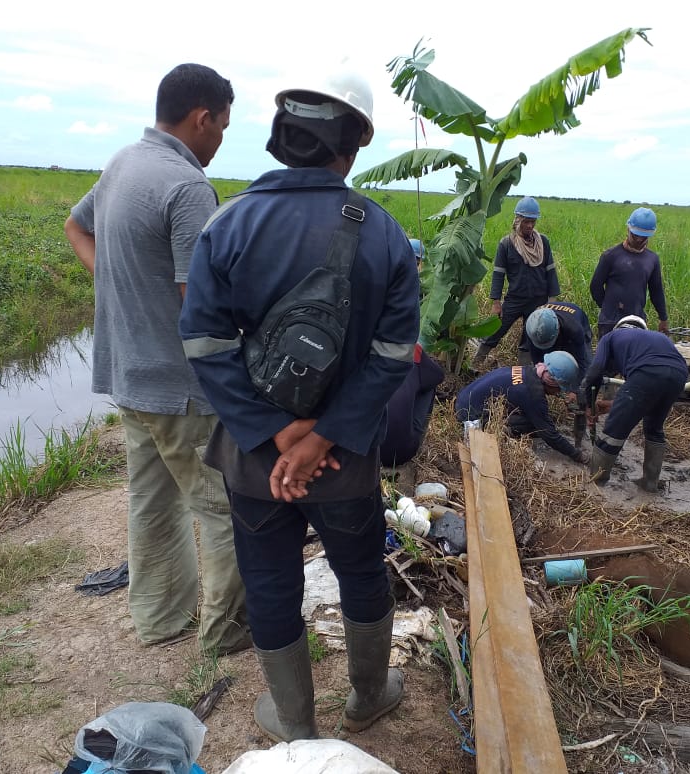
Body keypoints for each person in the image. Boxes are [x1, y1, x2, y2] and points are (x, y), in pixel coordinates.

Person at [177, 70, 420, 743]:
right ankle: (367, 699)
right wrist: (325, 437)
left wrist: (275, 432)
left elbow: (202, 342)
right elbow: (396, 356)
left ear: (283, 137)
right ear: (355, 144)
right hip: (343, 462)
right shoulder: (385, 235)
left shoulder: (229, 223)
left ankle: (295, 722)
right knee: (362, 570)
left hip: (256, 461)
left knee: (270, 578)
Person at [63, 63, 249, 655]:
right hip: (180, 387)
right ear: (202, 118)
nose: (220, 139)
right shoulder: (186, 185)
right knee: (221, 506)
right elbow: (201, 303)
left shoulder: (124, 162)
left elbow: (76, 227)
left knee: (152, 500)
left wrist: (120, 287)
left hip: (127, 374)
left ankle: (161, 619)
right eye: (221, 126)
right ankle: (225, 631)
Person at [580, 315, 687, 491]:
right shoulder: (656, 337)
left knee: (614, 429)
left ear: (619, 327)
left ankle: (596, 482)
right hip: (679, 375)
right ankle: (650, 483)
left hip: (647, 372)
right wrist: (610, 404)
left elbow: (596, 370)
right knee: (654, 427)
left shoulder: (610, 337)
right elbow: (643, 399)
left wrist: (585, 401)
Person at [471, 196, 561, 371]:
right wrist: (496, 302)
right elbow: (498, 274)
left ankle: (524, 372)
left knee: (530, 338)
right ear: (518, 220)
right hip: (515, 299)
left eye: (533, 222)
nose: (530, 226)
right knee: (496, 330)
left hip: (538, 300)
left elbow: (551, 271)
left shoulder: (543, 242)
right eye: (526, 222)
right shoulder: (506, 244)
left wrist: (552, 299)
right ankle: (475, 365)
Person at [455, 352, 588, 463]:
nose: (558, 392)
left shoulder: (528, 371)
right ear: (551, 382)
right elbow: (550, 435)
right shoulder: (533, 394)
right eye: (559, 388)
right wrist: (577, 455)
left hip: (463, 399)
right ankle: (501, 432)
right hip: (469, 417)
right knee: (534, 424)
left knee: (538, 417)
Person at [589, 207, 670, 340]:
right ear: (628, 229)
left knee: (634, 358)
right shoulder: (610, 256)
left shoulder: (652, 259)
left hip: (637, 321)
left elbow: (656, 291)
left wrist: (663, 318)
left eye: (643, 237)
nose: (638, 240)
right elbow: (595, 286)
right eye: (635, 235)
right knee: (609, 359)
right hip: (610, 323)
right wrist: (608, 307)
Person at [380, 341, 446, 467]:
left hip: (360, 451)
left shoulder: (360, 342)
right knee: (428, 384)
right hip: (400, 454)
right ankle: (416, 439)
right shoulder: (410, 345)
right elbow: (438, 375)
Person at [524, 301, 593, 391]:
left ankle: (585, 392)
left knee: (586, 365)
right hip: (549, 330)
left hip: (575, 321)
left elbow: (581, 361)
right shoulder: (531, 326)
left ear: (558, 329)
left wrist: (576, 390)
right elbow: (536, 358)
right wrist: (542, 380)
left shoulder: (574, 329)